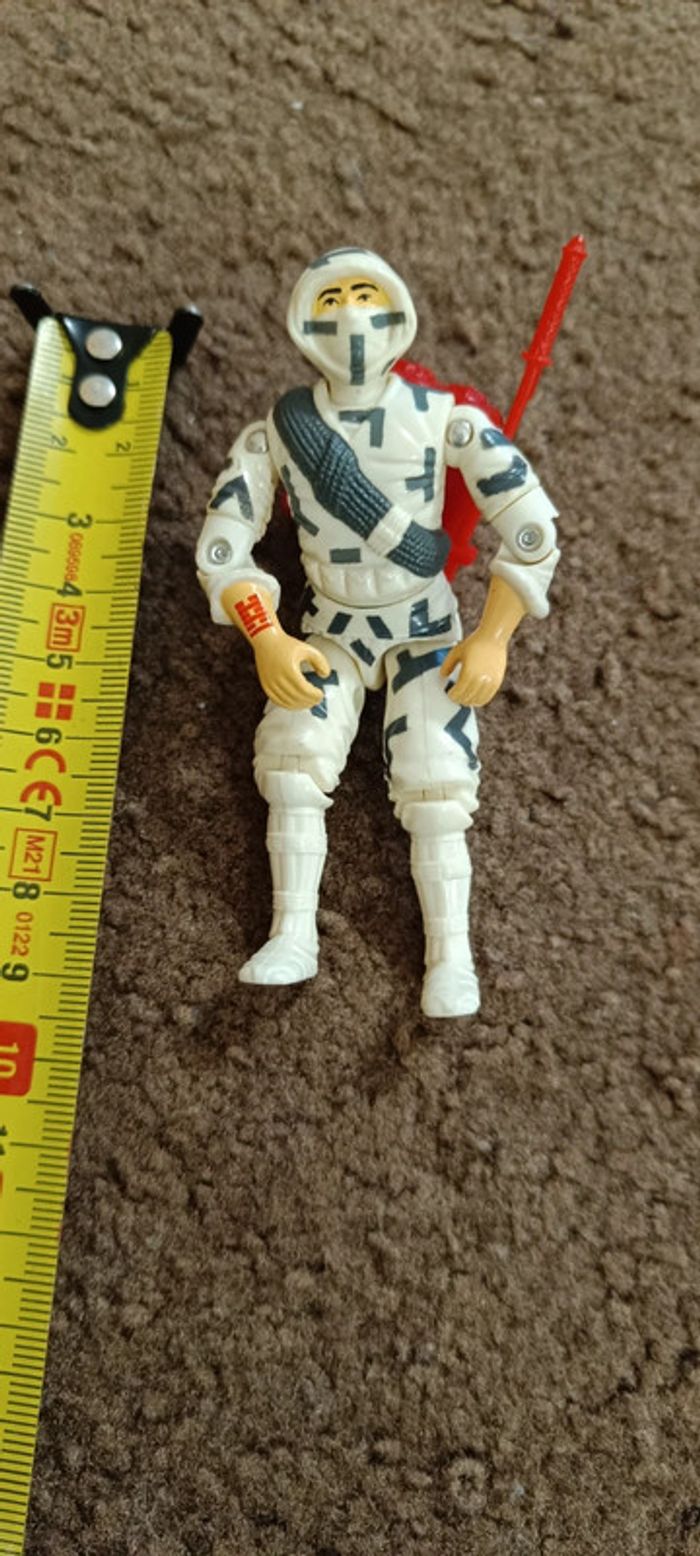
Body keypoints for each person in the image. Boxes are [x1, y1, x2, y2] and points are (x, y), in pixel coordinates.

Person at [196, 246, 559, 1017]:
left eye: (367, 295)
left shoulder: (447, 419)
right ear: (303, 321)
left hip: (425, 625)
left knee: (437, 788)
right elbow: (223, 546)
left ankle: (451, 959)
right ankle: (292, 933)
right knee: (291, 767)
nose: (353, 318)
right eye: (333, 300)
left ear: (399, 312)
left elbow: (530, 529)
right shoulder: (278, 432)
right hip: (328, 626)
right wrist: (266, 636)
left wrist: (493, 636)